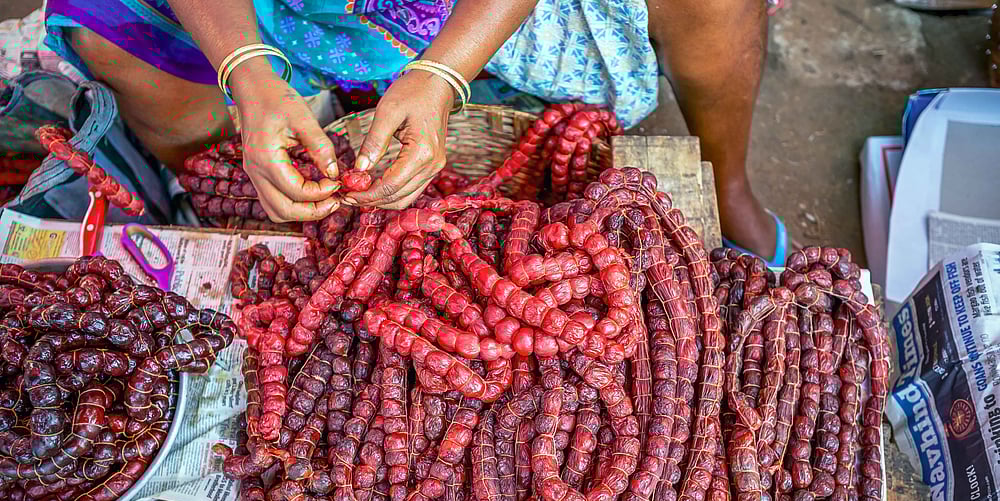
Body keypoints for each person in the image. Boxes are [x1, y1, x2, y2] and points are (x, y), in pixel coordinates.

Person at [44, 0, 789, 265]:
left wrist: (443, 75)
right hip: (280, 13)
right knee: (106, 28)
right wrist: (245, 69)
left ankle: (728, 184)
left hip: (469, 13)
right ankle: (244, 188)